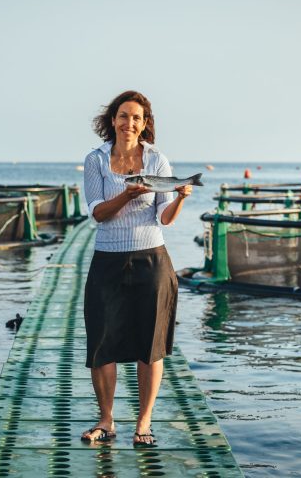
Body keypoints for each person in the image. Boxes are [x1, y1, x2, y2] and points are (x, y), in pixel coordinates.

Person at [81, 90, 192, 447]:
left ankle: (143, 423)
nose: (130, 123)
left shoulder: (157, 159)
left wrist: (179, 200)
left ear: (145, 125)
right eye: (124, 116)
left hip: (151, 260)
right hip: (107, 259)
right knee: (101, 341)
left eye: (137, 118)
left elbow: (163, 216)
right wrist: (126, 195)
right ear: (113, 119)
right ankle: (106, 420)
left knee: (151, 344)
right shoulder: (95, 160)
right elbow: (97, 213)